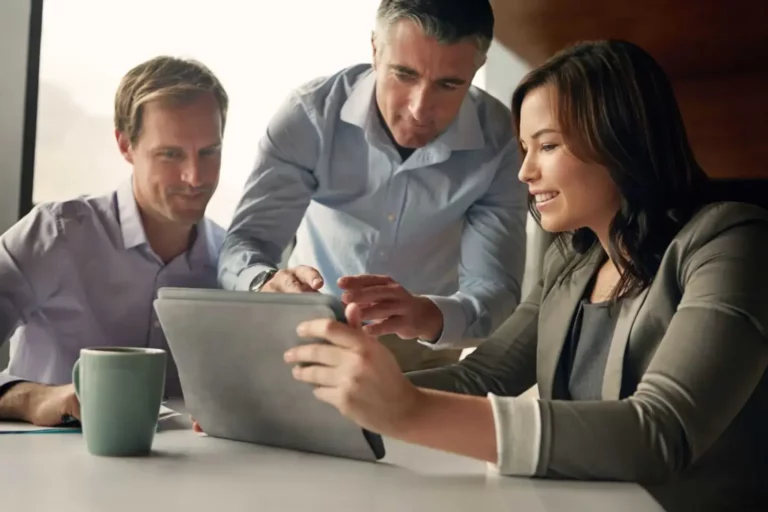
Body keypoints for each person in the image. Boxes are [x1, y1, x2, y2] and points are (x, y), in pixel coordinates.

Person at [283, 40, 768, 511]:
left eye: (548, 145)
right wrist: (308, 403)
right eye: (523, 149)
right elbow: (483, 375)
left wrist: (410, 410)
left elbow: (661, 432)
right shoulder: (571, 263)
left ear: (622, 139)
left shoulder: (732, 241)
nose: (524, 172)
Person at [218, 0, 528, 372]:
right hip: (305, 337)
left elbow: (496, 293)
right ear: (375, 51)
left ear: (477, 68)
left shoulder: (502, 144)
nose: (419, 108)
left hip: (425, 354)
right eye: (404, 74)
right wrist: (265, 283)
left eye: (448, 84)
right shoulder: (309, 117)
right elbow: (244, 245)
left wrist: (426, 314)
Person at [0, 56, 228, 426]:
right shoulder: (55, 234)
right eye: (170, 154)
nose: (194, 176)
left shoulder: (229, 262)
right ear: (125, 146)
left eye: (209, 152)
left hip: (188, 475)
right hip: (44, 472)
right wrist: (30, 399)